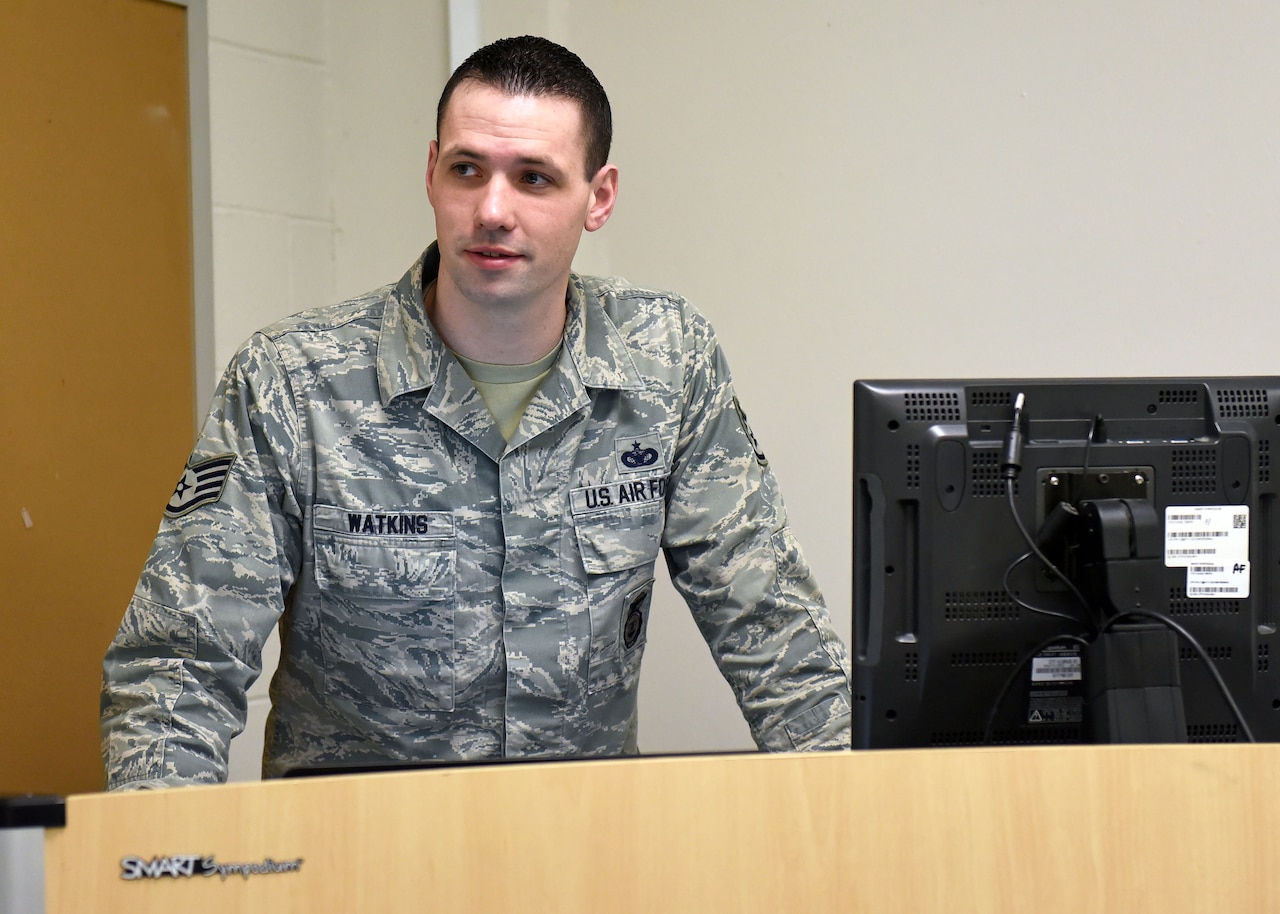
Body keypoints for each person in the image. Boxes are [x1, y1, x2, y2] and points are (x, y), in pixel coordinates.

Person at [101, 35, 852, 790]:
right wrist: (166, 868)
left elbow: (770, 623)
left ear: (599, 197)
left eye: (534, 178)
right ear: (432, 174)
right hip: (360, 862)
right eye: (468, 170)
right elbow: (178, 669)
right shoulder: (295, 381)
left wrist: (862, 818)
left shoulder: (666, 360)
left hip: (577, 852)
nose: (493, 210)